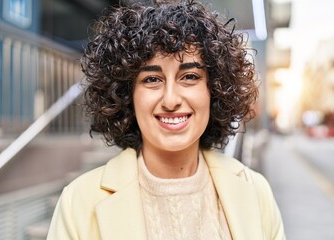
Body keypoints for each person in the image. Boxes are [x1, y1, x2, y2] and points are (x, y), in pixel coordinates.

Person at [47, 0, 285, 239]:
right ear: (127, 94)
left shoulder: (256, 191)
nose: (171, 100)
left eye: (189, 76)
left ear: (214, 89)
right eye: (152, 79)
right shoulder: (78, 203)